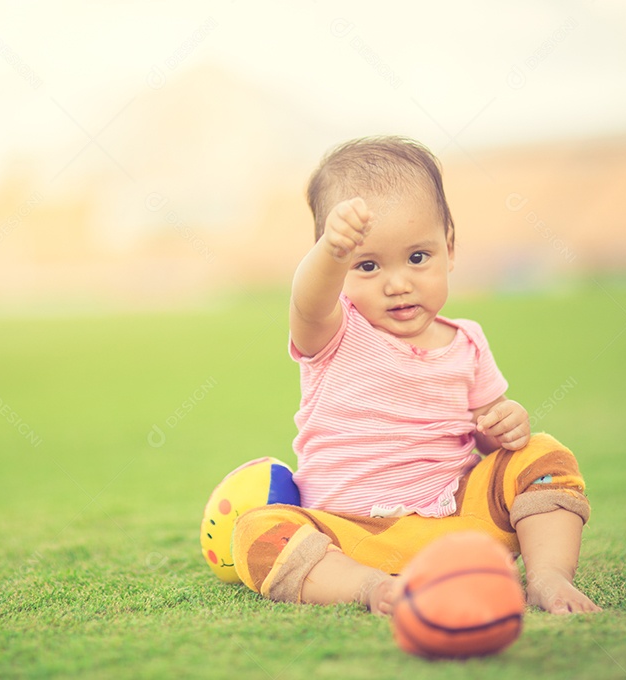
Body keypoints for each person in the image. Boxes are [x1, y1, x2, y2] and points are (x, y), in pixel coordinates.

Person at [230, 136, 601, 615]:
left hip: (457, 519)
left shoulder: (467, 341)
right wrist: (330, 252)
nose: (398, 282)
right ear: (337, 268)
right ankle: (369, 587)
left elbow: (488, 436)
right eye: (367, 264)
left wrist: (505, 423)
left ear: (448, 248)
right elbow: (307, 299)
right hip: (350, 532)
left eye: (418, 257)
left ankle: (548, 577)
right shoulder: (335, 329)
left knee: (542, 455)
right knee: (257, 531)